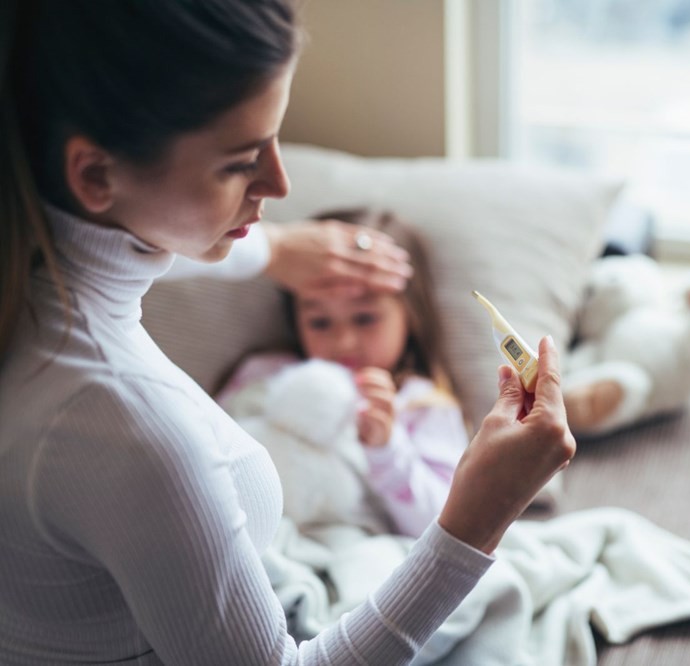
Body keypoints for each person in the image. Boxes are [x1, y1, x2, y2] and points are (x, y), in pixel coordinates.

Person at [0, 2, 575, 665]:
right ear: (96, 174)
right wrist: (476, 522)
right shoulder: (132, 428)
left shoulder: (36, 291)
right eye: (241, 161)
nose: (280, 181)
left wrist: (274, 250)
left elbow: (141, 250)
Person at [217, 208, 467, 538]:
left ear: (411, 314)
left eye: (365, 318)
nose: (343, 341)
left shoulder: (421, 404)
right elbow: (207, 450)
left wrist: (387, 449)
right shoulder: (264, 373)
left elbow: (446, 525)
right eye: (320, 322)